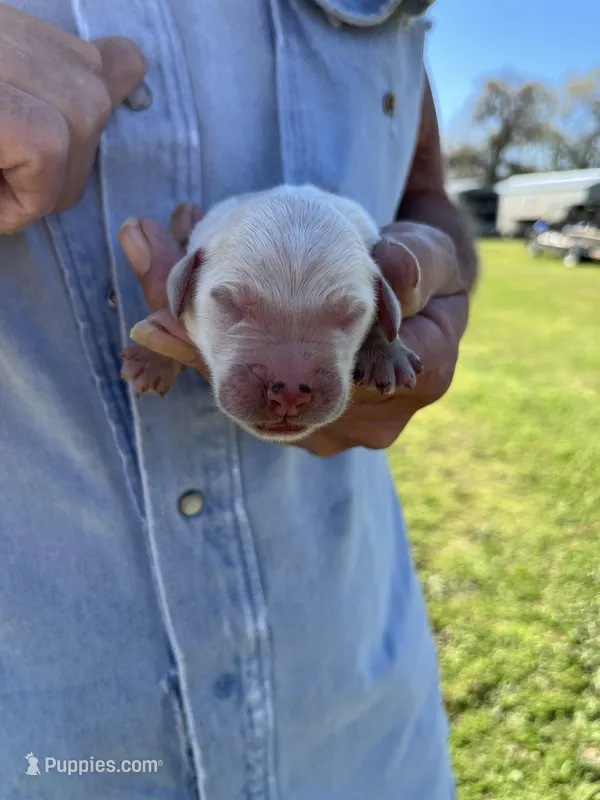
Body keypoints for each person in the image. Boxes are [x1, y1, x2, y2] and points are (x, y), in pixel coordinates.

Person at [0, 1, 478, 798]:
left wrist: (433, 293)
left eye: (352, 317)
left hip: (355, 717)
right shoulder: (195, 265)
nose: (289, 381)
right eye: (233, 307)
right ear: (189, 278)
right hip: (51, 743)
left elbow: (427, 196)